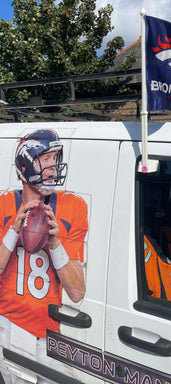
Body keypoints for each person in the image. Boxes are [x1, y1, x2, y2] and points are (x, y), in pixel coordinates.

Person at [0, 129, 88, 383]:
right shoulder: (4, 204)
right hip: (7, 322)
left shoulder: (74, 207)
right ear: (26, 164)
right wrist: (13, 231)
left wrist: (55, 243)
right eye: (45, 159)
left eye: (55, 158)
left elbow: (77, 293)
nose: (53, 166)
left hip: (49, 331)